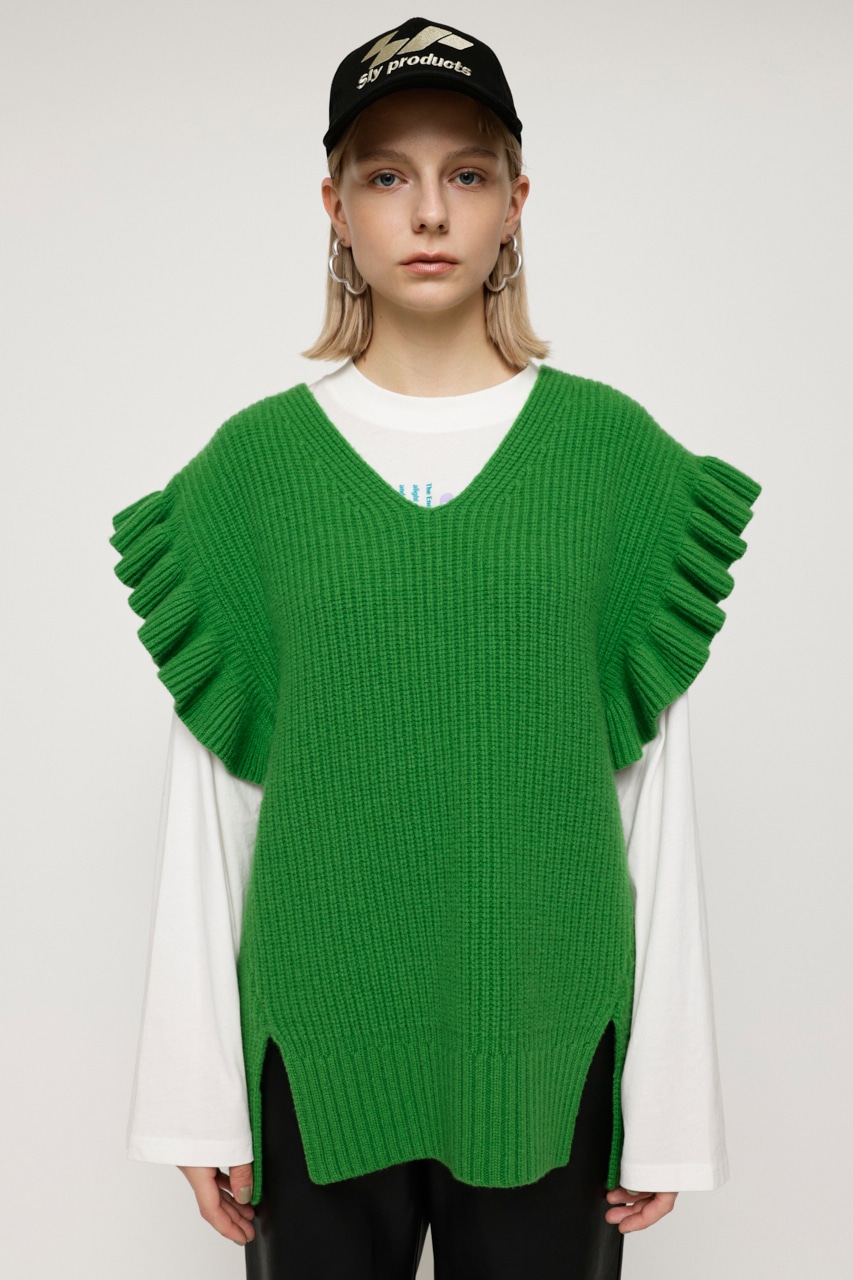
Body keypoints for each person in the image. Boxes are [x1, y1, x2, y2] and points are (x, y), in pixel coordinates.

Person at [110, 16, 760, 1279]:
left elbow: (649, 792)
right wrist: (197, 1099)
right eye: (385, 174)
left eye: (465, 173)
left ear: (515, 203)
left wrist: (669, 1106)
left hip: (550, 1047)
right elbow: (213, 798)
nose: (427, 211)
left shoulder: (611, 461)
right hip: (314, 1052)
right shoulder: (253, 473)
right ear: (335, 207)